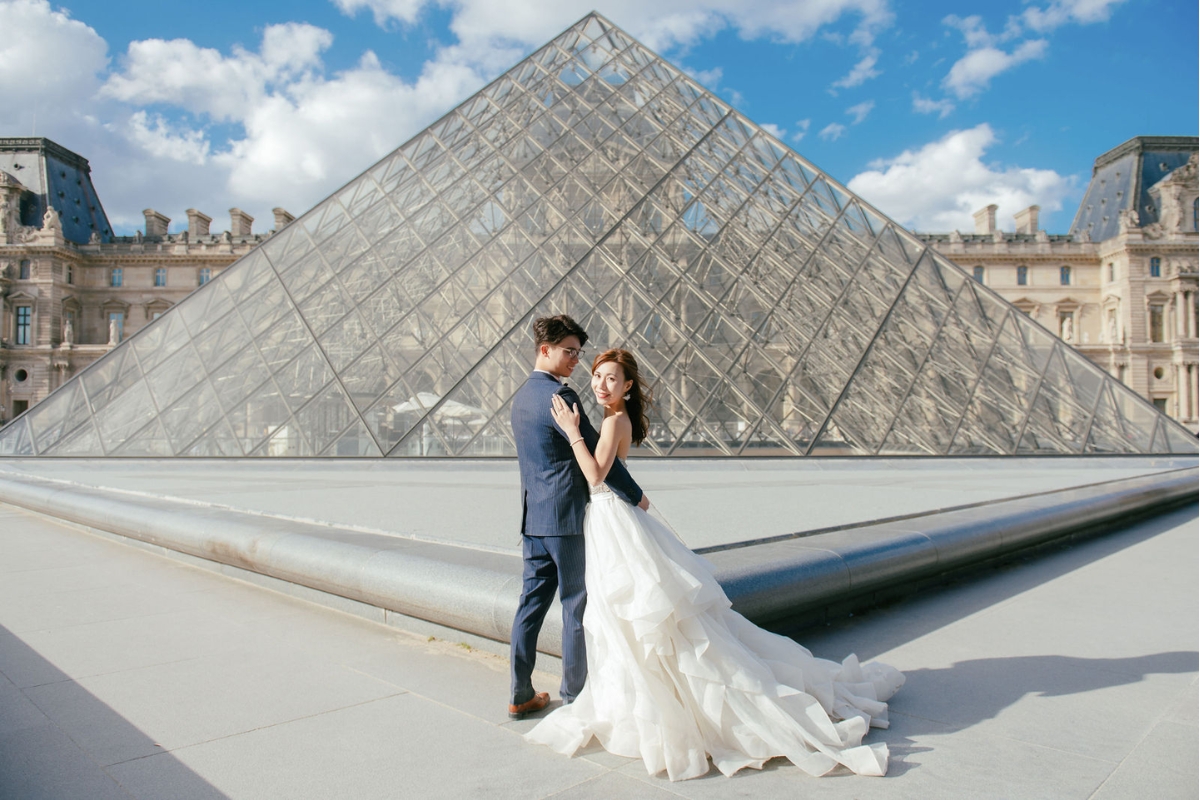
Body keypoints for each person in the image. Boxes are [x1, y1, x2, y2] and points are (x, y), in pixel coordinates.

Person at [524, 348, 905, 781]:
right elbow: (616, 476)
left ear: (628, 387)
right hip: (614, 522)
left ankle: (658, 709)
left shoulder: (613, 421)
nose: (600, 384)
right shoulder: (615, 419)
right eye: (598, 376)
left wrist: (573, 431)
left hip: (613, 525)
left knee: (634, 619)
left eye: (611, 378)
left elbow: (595, 475)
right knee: (630, 621)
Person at [508, 316, 649, 720]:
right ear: (545, 349)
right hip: (566, 519)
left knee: (530, 606)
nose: (575, 360)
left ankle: (520, 692)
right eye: (569, 351)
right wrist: (637, 496)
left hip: (533, 518)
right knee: (575, 606)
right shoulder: (562, 397)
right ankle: (574, 698)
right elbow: (594, 456)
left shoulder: (520, 397)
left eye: (577, 352)